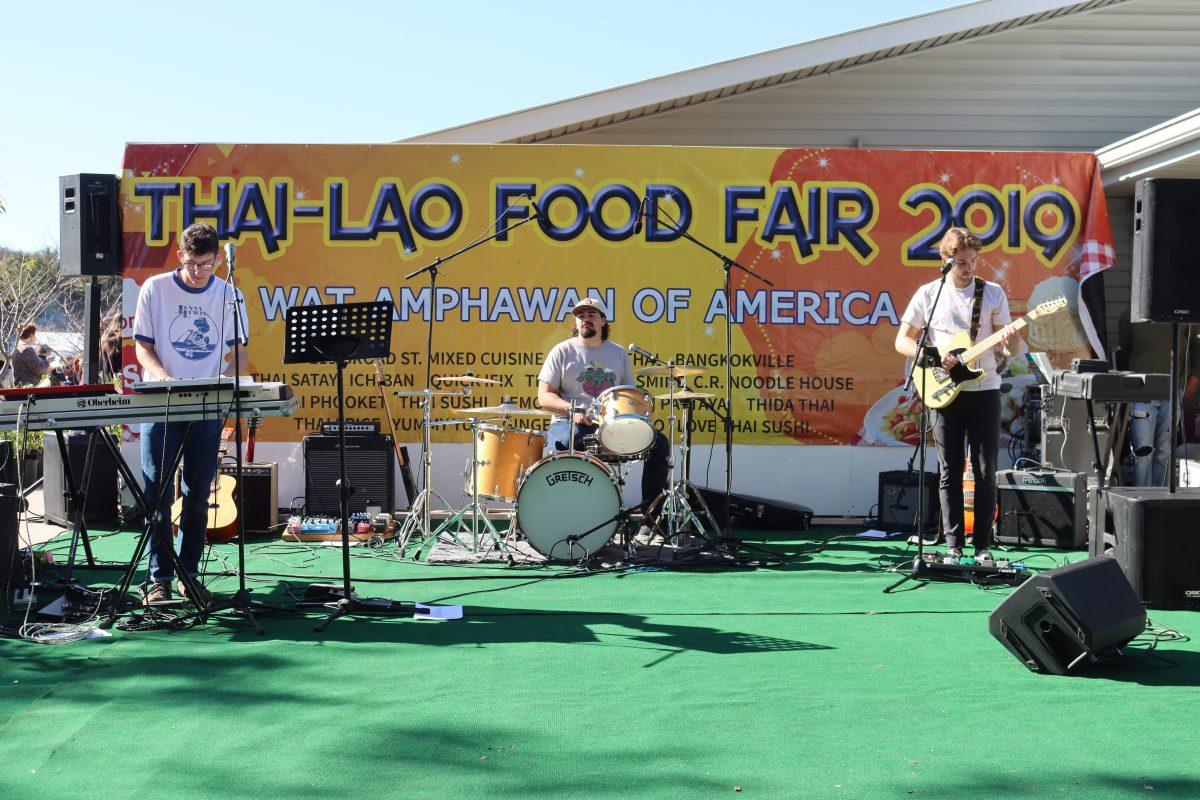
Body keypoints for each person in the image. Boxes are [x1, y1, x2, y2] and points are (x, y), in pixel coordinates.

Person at [133, 222, 247, 606]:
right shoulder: (156, 289)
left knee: (198, 495)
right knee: (157, 495)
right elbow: (142, 348)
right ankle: (158, 578)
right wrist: (164, 376)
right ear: (180, 256)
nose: (200, 272)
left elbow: (240, 353)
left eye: (207, 264)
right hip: (162, 404)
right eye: (193, 263)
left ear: (218, 258)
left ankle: (188, 575)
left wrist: (227, 382)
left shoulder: (230, 294)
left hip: (207, 406)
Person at [894, 228, 1020, 561]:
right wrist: (933, 357)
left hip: (985, 388)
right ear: (945, 260)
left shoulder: (992, 293)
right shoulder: (929, 294)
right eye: (962, 262)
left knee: (984, 470)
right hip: (942, 389)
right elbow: (903, 341)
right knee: (949, 470)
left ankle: (982, 547)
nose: (970, 268)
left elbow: (1014, 348)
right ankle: (952, 546)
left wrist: (1011, 339)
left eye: (974, 261)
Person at [537, 298, 670, 542]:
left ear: (603, 320)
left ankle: (651, 520)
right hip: (568, 423)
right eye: (581, 315)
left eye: (592, 314)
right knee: (574, 437)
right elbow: (544, 397)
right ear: (576, 322)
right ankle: (572, 515)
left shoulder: (618, 353)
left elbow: (629, 395)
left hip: (608, 425)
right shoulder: (562, 350)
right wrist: (573, 411)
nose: (585, 318)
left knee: (659, 443)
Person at [1117, 318, 1200, 486]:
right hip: (1141, 391)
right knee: (1142, 451)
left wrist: (1195, 378)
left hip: (1173, 390)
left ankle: (1159, 498)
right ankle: (1140, 499)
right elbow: (1126, 348)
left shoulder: (1183, 314)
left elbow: (1197, 346)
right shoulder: (1131, 315)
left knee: (1164, 451)